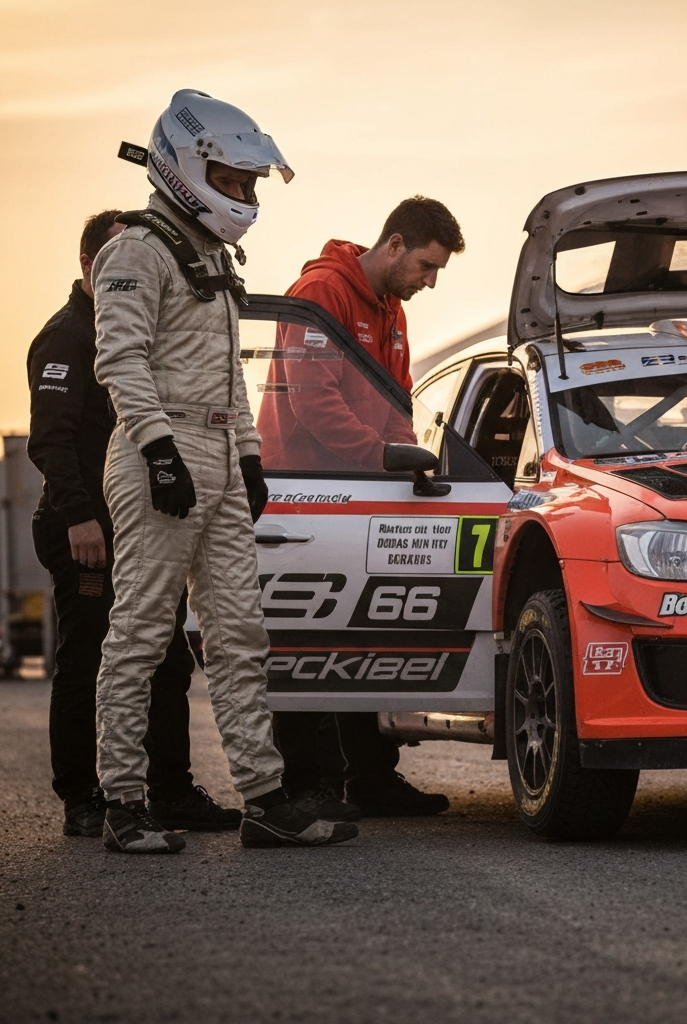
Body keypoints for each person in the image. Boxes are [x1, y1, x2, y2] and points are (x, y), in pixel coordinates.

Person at [91, 88, 356, 853]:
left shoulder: (208, 253)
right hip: (159, 458)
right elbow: (120, 359)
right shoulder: (135, 250)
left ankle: (265, 799)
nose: (242, 195)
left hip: (211, 455)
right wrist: (157, 450)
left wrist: (247, 456)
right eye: (234, 180)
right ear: (187, 168)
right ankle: (122, 804)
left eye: (248, 183)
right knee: (141, 634)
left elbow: (227, 376)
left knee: (240, 634)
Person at [27, 210, 239, 838]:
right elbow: (51, 444)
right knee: (89, 656)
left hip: (142, 522)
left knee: (168, 657)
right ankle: (83, 797)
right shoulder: (69, 336)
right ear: (92, 265)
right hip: (84, 529)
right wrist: (81, 519)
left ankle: (170, 788)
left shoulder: (145, 328)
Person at [260, 197, 464, 819]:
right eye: (426, 266)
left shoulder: (391, 308)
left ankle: (369, 778)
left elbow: (395, 402)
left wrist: (412, 458)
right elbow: (313, 401)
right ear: (395, 244)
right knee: (310, 641)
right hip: (307, 492)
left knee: (361, 636)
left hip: (362, 490)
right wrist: (384, 457)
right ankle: (308, 785)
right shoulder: (323, 291)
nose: (429, 283)